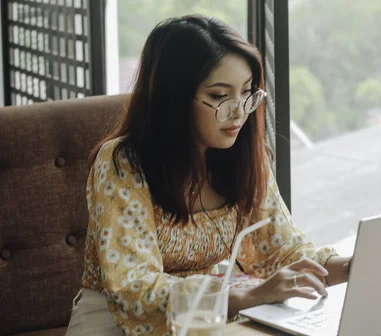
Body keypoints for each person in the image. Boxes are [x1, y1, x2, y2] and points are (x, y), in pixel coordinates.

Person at [65, 14, 352, 335]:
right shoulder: (122, 162)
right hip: (115, 322)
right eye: (219, 96)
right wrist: (247, 296)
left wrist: (356, 266)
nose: (240, 111)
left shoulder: (243, 158)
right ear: (172, 98)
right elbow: (134, 292)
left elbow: (282, 251)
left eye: (247, 93)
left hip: (211, 318)